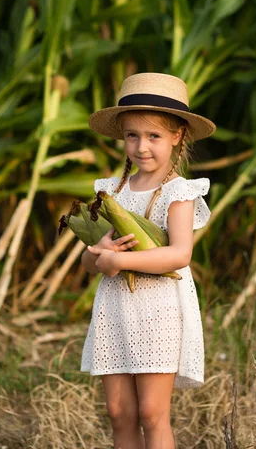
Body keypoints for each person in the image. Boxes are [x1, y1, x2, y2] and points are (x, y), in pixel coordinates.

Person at [80, 72, 216, 449]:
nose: (142, 146)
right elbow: (90, 262)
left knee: (152, 413)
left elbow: (179, 254)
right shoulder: (112, 192)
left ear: (178, 136)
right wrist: (100, 254)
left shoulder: (178, 192)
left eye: (154, 136)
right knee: (119, 412)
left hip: (159, 313)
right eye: (132, 135)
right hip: (115, 309)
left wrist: (119, 263)